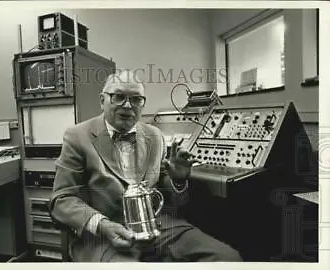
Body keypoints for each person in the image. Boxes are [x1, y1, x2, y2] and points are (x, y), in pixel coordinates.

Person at [49, 70, 242, 262]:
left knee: (227, 258)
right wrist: (103, 225)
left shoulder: (155, 136)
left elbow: (173, 200)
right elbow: (62, 200)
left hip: (159, 227)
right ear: (102, 100)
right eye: (118, 97)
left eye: (136, 99)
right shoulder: (77, 136)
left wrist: (177, 180)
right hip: (104, 235)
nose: (127, 105)